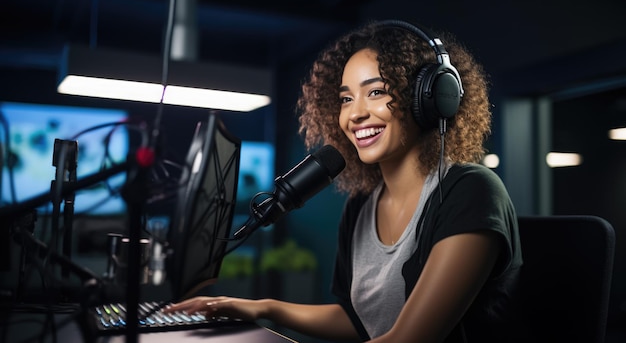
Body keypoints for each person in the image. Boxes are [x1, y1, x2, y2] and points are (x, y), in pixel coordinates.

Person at [164, 19, 524, 342]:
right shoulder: (362, 205)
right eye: (346, 98)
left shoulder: (471, 192)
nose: (356, 114)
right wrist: (261, 308)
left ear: (429, 99)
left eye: (377, 92)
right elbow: (358, 321)